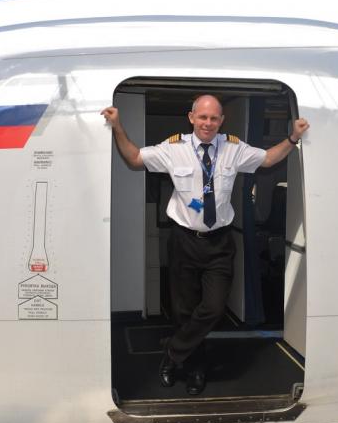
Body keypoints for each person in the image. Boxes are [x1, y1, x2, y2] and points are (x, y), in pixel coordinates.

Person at [101, 94, 309, 395]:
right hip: (184, 240)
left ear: (221, 121)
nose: (208, 123)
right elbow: (134, 159)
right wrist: (118, 126)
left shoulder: (234, 148)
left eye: (214, 118)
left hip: (219, 243)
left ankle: (172, 353)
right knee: (185, 312)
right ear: (191, 118)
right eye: (202, 117)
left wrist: (293, 137)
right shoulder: (174, 149)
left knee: (212, 308)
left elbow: (267, 159)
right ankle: (195, 368)